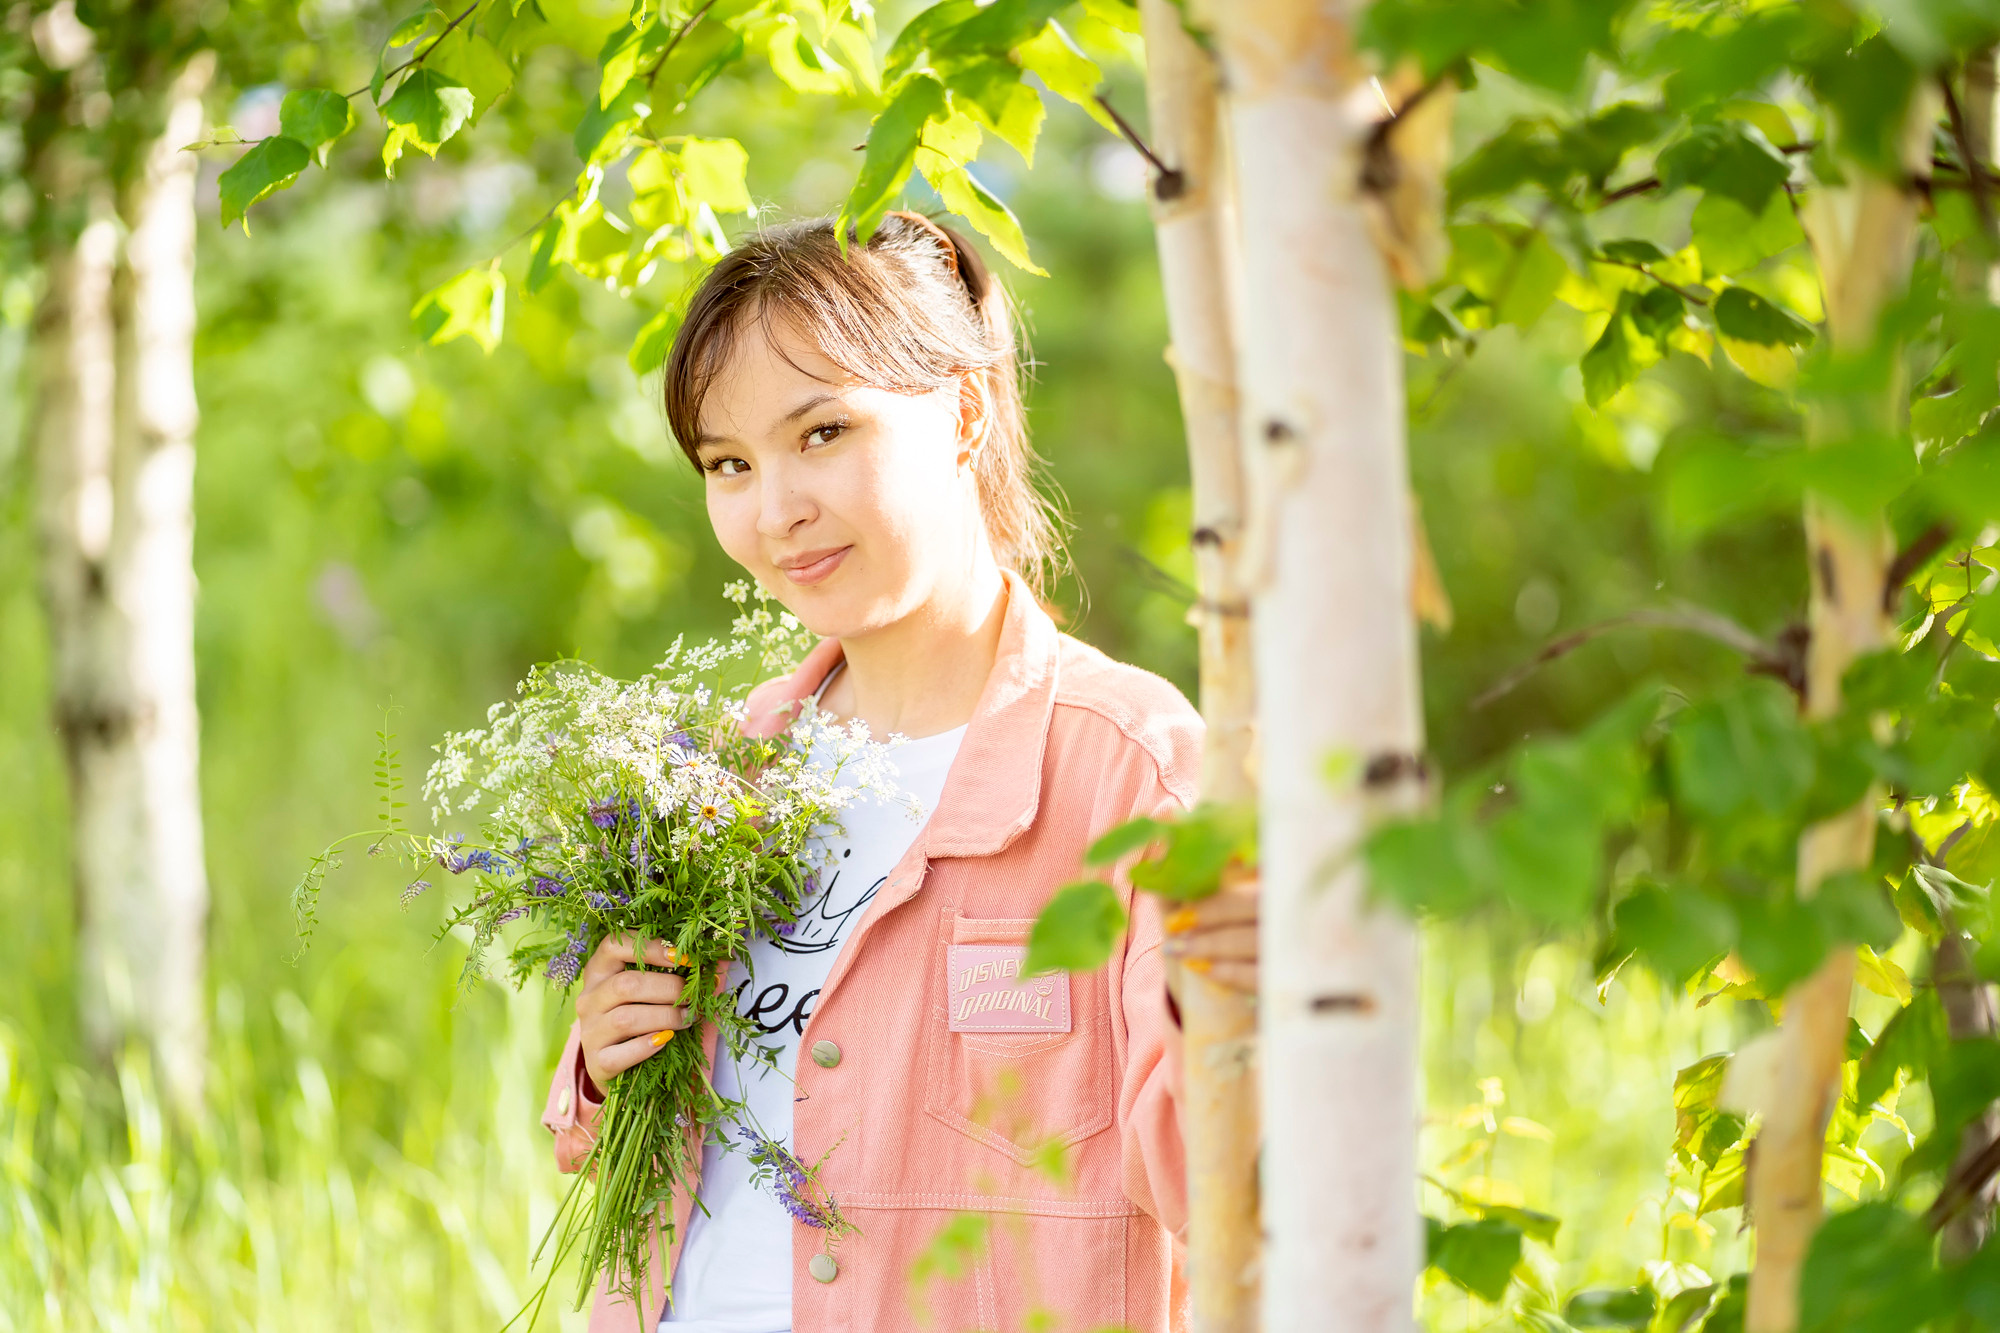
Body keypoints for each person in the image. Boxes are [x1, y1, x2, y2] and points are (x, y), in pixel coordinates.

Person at [539, 212, 1256, 1333]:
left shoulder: (1133, 776)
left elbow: (1231, 1189)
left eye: (821, 433)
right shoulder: (723, 769)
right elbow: (623, 1156)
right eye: (729, 463)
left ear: (963, 412)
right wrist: (603, 1045)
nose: (774, 511)